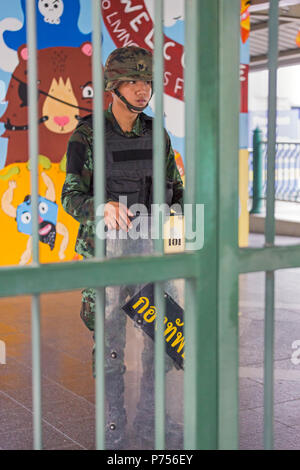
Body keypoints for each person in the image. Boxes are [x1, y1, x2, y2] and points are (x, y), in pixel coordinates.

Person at [61, 46, 184, 449]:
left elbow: (176, 189)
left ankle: (152, 421)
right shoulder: (86, 134)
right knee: (110, 344)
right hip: (106, 255)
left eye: (147, 81)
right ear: (114, 85)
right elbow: (70, 194)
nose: (141, 89)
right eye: (133, 80)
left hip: (150, 250)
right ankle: (113, 426)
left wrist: (185, 218)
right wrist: (101, 206)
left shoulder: (156, 133)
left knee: (160, 344)